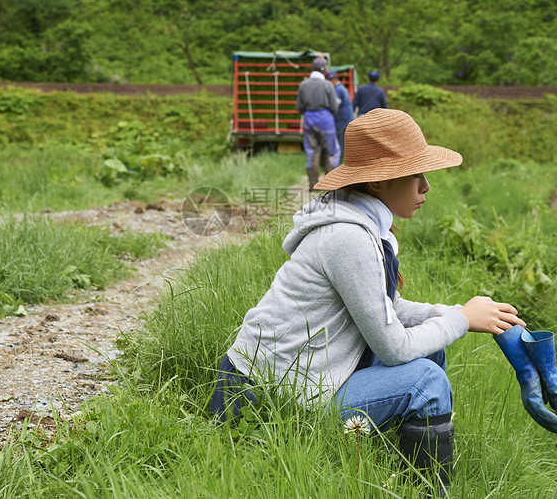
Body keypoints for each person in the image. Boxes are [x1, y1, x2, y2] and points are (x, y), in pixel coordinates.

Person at [210, 109, 529, 495]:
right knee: (426, 380)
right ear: (378, 182)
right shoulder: (348, 238)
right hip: (267, 401)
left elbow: (387, 310)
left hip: (302, 377)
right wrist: (460, 320)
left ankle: (393, 469)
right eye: (416, 175)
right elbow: (393, 349)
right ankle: (426, 491)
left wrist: (456, 313)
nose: (426, 187)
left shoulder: (356, 222)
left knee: (430, 356)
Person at [296, 56, 339, 190]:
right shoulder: (327, 85)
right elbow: (334, 106)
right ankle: (330, 184)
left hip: (309, 117)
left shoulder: (303, 85)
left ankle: (313, 183)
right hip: (325, 118)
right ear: (324, 70)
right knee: (331, 151)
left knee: (311, 151)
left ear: (311, 68)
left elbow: (299, 107)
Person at [326, 70, 354, 160]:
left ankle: (338, 163)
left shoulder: (337, 90)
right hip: (346, 119)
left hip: (342, 120)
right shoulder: (341, 88)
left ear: (333, 79)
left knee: (340, 143)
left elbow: (335, 106)